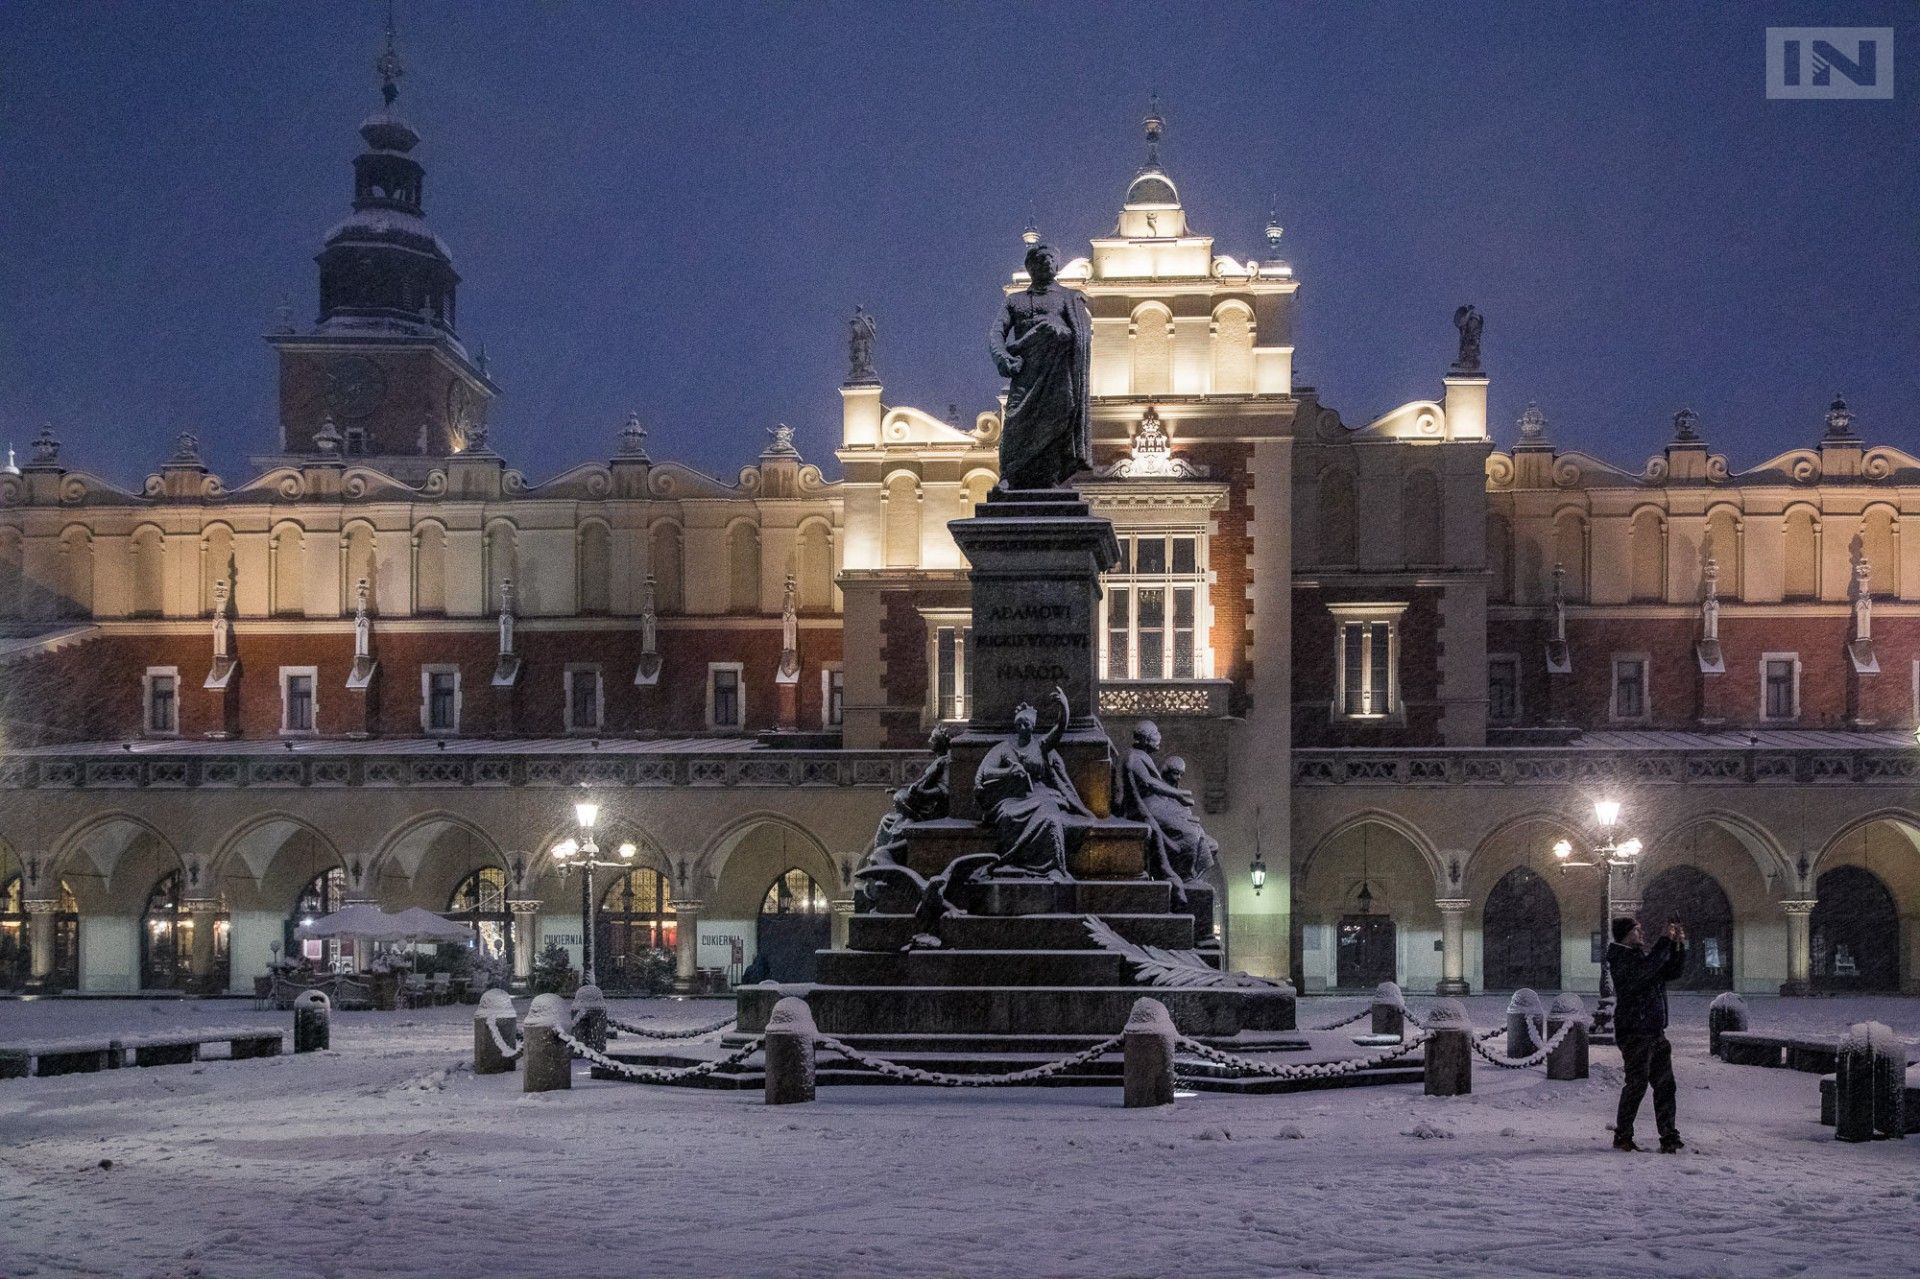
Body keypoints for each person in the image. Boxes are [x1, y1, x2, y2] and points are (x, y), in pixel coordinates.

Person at [1607, 916, 1687, 1153]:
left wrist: (1678, 945)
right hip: (1635, 1032)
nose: (1642, 933)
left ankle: (1669, 1136)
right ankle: (1623, 1135)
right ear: (1625, 935)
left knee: (1665, 1086)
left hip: (1654, 1030)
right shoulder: (1620, 958)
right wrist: (1664, 941)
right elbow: (1644, 973)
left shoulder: (1640, 957)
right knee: (1637, 1084)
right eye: (1636, 930)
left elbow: (1671, 971)